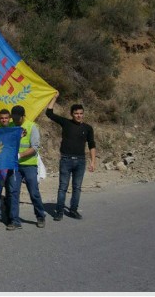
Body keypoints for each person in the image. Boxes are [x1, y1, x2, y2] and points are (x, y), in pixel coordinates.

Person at [46, 92, 96, 221]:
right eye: (76, 113)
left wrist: (93, 162)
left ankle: (73, 210)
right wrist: (54, 98)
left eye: (81, 113)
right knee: (63, 187)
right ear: (71, 114)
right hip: (66, 160)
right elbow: (49, 113)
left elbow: (92, 144)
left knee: (77, 187)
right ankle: (59, 211)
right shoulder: (66, 123)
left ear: (83, 114)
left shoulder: (88, 128)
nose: (79, 116)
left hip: (80, 161)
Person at [3, 105, 47, 229]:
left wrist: (20, 155)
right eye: (14, 118)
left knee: (33, 192)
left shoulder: (32, 127)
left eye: (18, 118)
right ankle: (14, 220)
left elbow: (34, 147)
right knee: (13, 192)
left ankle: (40, 216)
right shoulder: (11, 126)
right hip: (14, 166)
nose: (15, 120)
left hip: (29, 165)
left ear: (23, 116)